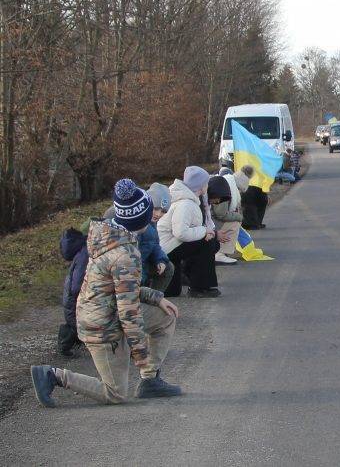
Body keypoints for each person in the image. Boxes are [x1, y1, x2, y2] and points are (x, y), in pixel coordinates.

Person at [31, 180, 181, 407]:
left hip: (104, 312)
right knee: (116, 393)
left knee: (166, 316)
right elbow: (128, 311)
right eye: (150, 213)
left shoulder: (108, 234)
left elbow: (123, 289)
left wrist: (156, 297)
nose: (153, 217)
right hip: (101, 326)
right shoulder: (124, 254)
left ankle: (150, 381)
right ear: (139, 219)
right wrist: (140, 355)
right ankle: (53, 375)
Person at [158, 166, 222, 298]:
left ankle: (185, 277)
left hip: (167, 247)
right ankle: (200, 287)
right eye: (206, 183)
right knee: (206, 242)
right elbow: (180, 233)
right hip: (167, 248)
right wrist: (204, 231)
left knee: (172, 292)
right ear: (200, 186)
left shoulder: (186, 198)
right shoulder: (186, 203)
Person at [56, 227, 88, 357]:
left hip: (72, 293)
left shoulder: (84, 251)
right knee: (74, 322)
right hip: (74, 295)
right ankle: (64, 346)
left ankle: (71, 342)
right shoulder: (85, 254)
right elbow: (77, 282)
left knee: (76, 321)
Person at [208, 175, 242, 265]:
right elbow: (221, 214)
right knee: (235, 222)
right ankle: (220, 253)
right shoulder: (222, 190)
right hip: (209, 227)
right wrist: (239, 217)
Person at [239, 165, 267, 230]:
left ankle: (253, 223)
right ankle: (254, 223)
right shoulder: (258, 173)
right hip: (251, 194)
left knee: (260, 201)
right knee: (260, 201)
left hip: (250, 193)